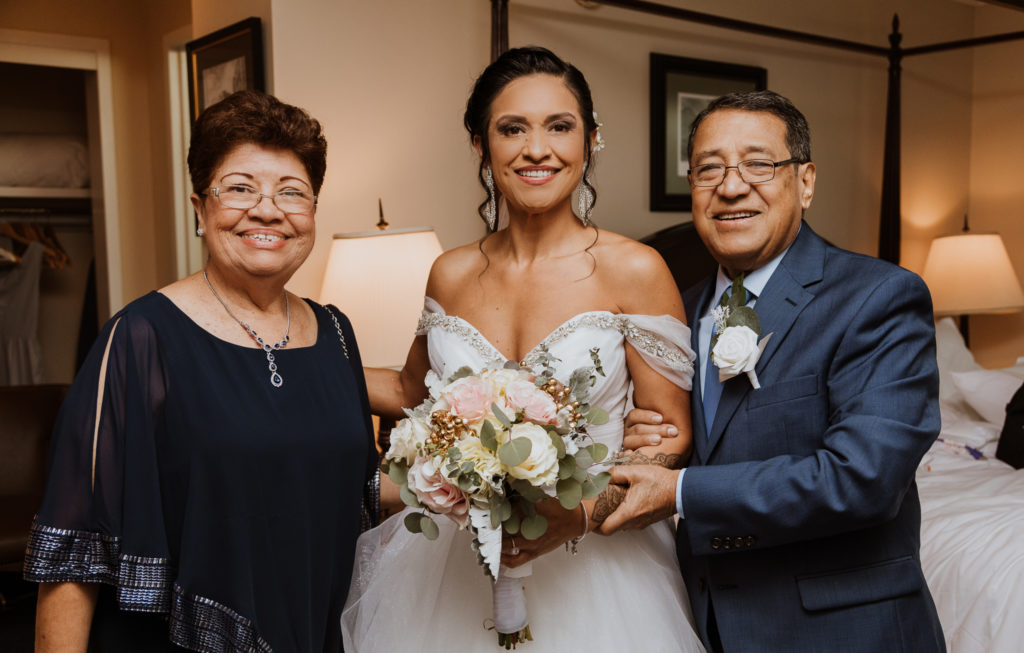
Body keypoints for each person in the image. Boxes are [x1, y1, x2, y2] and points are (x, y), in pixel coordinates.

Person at [342, 46, 706, 652]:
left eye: (559, 127)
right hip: (450, 567)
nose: (537, 149)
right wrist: (292, 364)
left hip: (599, 569)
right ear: (482, 146)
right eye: (512, 129)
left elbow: (667, 438)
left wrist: (583, 510)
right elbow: (410, 392)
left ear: (590, 141)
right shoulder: (450, 273)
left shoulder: (635, 269)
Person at [24, 90, 380, 652]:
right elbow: (75, 545)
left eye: (293, 193)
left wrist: (479, 477)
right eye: (240, 188)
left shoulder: (337, 333)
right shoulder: (141, 338)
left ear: (312, 212)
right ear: (199, 208)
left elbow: (354, 491)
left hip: (314, 631)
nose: (268, 210)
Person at [605, 90, 946, 652]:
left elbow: (863, 478)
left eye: (758, 164)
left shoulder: (880, 297)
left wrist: (681, 490)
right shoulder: (674, 315)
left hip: (844, 634)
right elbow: (677, 434)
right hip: (703, 625)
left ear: (805, 181)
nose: (731, 186)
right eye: (708, 168)